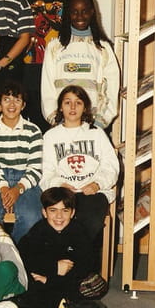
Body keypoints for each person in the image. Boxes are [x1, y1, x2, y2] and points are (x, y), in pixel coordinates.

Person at [40, 85, 119, 243]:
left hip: (92, 192)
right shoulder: (51, 136)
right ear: (60, 107)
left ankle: (75, 254)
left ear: (85, 108)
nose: (73, 107)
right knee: (56, 218)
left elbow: (111, 167)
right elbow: (47, 172)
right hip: (62, 192)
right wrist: (60, 185)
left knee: (89, 219)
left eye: (78, 103)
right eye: (67, 102)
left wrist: (97, 184)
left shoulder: (96, 133)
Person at [16, 187, 109, 308]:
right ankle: (66, 305)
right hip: (43, 277)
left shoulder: (79, 231)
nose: (59, 216)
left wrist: (50, 280)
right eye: (53, 210)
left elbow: (86, 264)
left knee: (96, 284)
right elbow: (25, 258)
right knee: (22, 279)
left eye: (65, 211)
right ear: (44, 212)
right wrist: (54, 268)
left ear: (72, 213)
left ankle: (39, 300)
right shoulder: (38, 231)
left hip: (66, 280)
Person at [41, 0, 120, 129]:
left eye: (84, 11)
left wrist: (99, 122)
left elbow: (112, 89)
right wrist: (56, 120)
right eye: (74, 12)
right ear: (67, 14)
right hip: (62, 124)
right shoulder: (55, 47)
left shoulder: (103, 48)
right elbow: (47, 88)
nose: (80, 16)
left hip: (93, 125)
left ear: (92, 12)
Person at [0, 80, 43, 244]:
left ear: (23, 105)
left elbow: (35, 168)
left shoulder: (33, 131)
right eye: (6, 99)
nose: (11, 105)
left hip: (26, 182)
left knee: (32, 217)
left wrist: (18, 189)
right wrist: (3, 188)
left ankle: (15, 250)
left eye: (17, 100)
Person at [22, 0, 71, 132]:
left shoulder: (70, 0)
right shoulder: (25, 2)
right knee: (36, 120)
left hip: (61, 65)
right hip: (33, 66)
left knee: (64, 117)